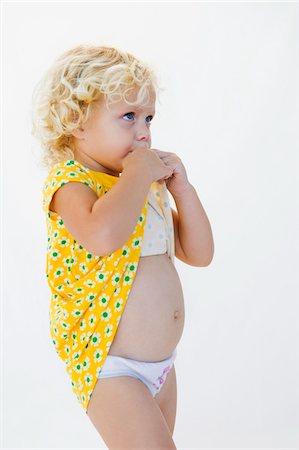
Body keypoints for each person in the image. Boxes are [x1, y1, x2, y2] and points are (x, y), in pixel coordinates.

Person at [31, 44, 214, 449]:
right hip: (110, 366)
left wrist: (182, 190)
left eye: (148, 117)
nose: (144, 132)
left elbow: (199, 254)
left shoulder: (144, 185)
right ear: (76, 122)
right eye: (128, 117)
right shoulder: (71, 184)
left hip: (163, 366)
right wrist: (137, 174)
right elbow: (102, 236)